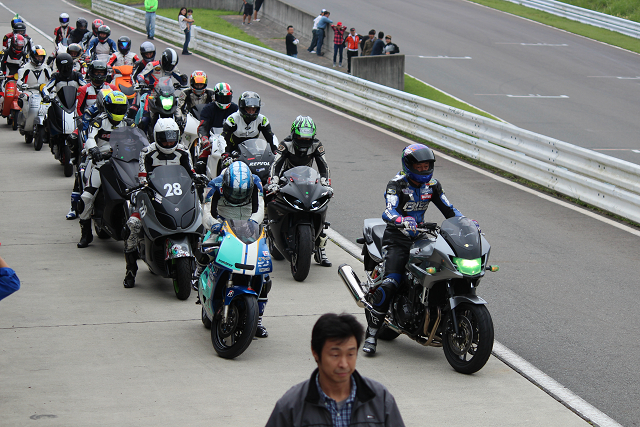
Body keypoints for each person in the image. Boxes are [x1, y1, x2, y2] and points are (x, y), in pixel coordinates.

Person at [363, 143, 465, 355]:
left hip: (420, 236)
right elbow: (388, 211)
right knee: (391, 282)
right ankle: (372, 333)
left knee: (441, 267)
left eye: (426, 166)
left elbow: (449, 209)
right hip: (396, 238)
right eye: (419, 166)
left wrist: (465, 222)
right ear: (408, 165)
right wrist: (401, 219)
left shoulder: (433, 185)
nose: (423, 170)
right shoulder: (396, 184)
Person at [265, 313, 405, 426]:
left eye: (350, 354)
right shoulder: (291, 405)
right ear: (315, 352)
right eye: (335, 355)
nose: (344, 364)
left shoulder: (380, 400)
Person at [196, 161, 269, 337]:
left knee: (264, 273)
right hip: (222, 226)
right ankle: (198, 273)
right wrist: (215, 225)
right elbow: (206, 212)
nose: (237, 196)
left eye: (242, 193)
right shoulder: (214, 184)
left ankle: (257, 320)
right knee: (207, 249)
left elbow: (260, 208)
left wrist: (253, 223)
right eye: (233, 192)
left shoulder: (256, 182)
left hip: (249, 228)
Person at [123, 117, 198, 288]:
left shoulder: (183, 151)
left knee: (204, 223)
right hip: (151, 194)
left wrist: (198, 178)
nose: (169, 143)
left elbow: (191, 172)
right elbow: (143, 175)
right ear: (156, 137)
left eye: (172, 138)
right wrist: (144, 184)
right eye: (165, 139)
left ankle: (200, 268)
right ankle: (130, 269)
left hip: (179, 196)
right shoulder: (146, 152)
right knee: (132, 225)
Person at [269, 116, 332, 267]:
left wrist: (325, 183)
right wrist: (274, 182)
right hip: (286, 179)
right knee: (269, 196)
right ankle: (268, 226)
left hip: (307, 179)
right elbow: (276, 164)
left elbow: (324, 166)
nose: (304, 141)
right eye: (301, 137)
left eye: (307, 138)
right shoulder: (285, 144)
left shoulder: (317, 145)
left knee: (320, 205)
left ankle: (320, 248)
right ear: (294, 134)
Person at [76, 91, 129, 248]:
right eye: (115, 108)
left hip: (124, 163)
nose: (118, 111)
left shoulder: (129, 123)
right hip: (101, 164)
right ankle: (86, 234)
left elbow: (140, 139)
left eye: (121, 108)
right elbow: (90, 138)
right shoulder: (98, 122)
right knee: (87, 197)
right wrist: (94, 150)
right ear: (107, 107)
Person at [195, 82, 238, 174]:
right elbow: (203, 126)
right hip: (212, 139)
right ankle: (200, 177)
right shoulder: (208, 109)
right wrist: (205, 139)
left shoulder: (235, 109)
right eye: (221, 98)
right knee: (200, 163)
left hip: (230, 139)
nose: (224, 101)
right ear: (215, 96)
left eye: (226, 98)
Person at [220, 91, 277, 155]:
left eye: (253, 109)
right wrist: (225, 152)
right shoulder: (232, 119)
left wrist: (275, 151)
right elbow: (224, 138)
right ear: (242, 108)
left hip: (252, 150)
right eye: (248, 109)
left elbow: (270, 137)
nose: (251, 112)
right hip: (232, 150)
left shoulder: (262, 120)